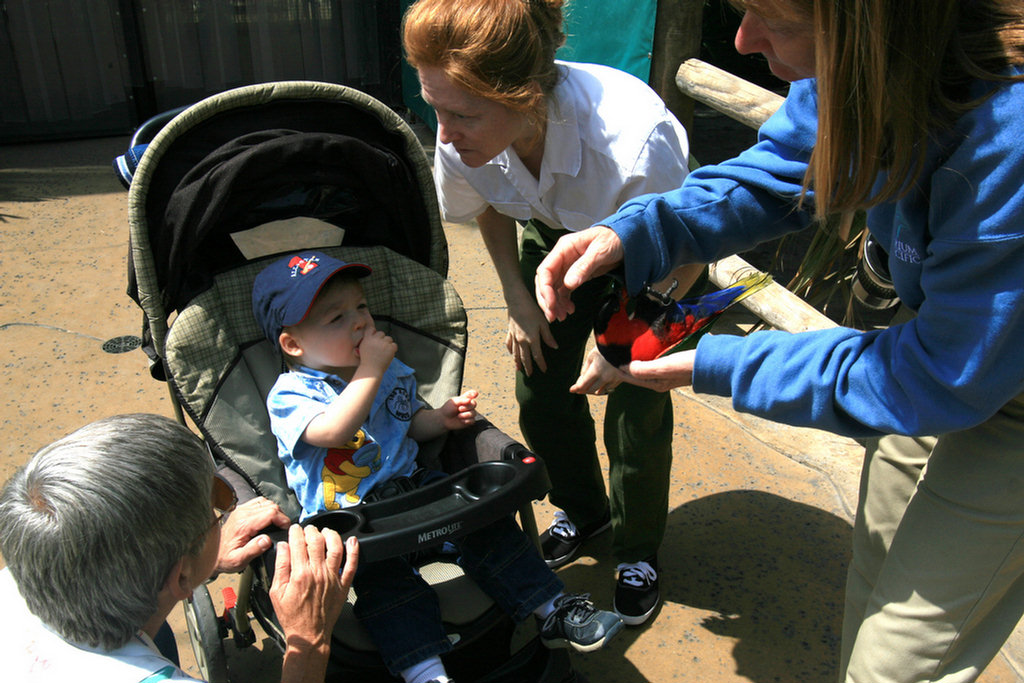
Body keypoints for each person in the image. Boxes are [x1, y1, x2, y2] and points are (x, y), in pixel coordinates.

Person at [535, 1, 1024, 681]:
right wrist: (636, 231)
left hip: (995, 388)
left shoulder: (1007, 141)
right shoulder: (859, 63)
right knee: (875, 572)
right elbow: (780, 174)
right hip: (940, 346)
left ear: (874, 25)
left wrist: (719, 363)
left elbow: (943, 375)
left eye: (774, 17)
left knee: (899, 665)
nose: (742, 38)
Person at [402, 0, 707, 626]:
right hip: (551, 235)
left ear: (525, 95)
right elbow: (487, 201)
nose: (444, 131)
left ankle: (637, 547)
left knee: (637, 397)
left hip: (652, 256)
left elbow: (693, 251)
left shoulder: (633, 141)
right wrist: (516, 297)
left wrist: (623, 341)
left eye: (461, 113)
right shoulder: (462, 130)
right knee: (540, 385)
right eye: (434, 106)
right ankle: (585, 508)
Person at [251, 250, 623, 683]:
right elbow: (333, 431)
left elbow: (403, 424)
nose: (359, 322)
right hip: (353, 521)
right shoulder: (291, 394)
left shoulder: (385, 372)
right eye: (336, 319)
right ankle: (426, 672)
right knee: (387, 589)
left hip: (418, 488)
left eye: (362, 307)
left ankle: (552, 609)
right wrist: (371, 368)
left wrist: (439, 419)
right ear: (293, 345)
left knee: (491, 530)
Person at [0, 413, 358, 683]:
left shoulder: (25, 573)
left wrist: (204, 561)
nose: (224, 513)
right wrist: (310, 640)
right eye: (216, 508)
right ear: (181, 573)